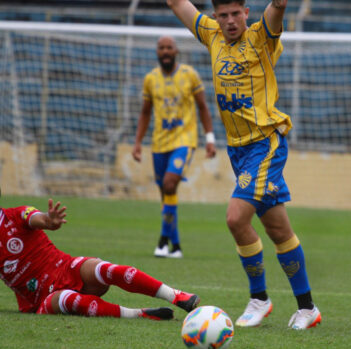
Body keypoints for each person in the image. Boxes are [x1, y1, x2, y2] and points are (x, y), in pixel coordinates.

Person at [166, 0, 321, 330]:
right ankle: (307, 308)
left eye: (236, 14)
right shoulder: (211, 35)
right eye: (223, 15)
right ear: (216, 17)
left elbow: (276, 10)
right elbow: (177, 4)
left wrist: (279, 5)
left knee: (236, 218)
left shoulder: (260, 37)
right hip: (237, 152)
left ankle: (259, 298)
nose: (230, 21)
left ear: (246, 14)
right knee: (278, 229)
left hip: (265, 144)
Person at [0, 197, 201, 319]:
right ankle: (139, 314)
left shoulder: (16, 215)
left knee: (104, 269)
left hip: (66, 267)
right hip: (42, 300)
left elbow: (39, 218)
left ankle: (175, 295)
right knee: (66, 299)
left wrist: (49, 221)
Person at [132, 35, 216, 259]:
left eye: (169, 47)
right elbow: (145, 112)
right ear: (157, 52)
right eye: (161, 48)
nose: (165, 51)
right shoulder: (150, 79)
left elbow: (203, 108)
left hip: (185, 141)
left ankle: (162, 241)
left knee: (170, 184)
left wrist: (210, 139)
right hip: (159, 143)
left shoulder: (189, 75)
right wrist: (138, 142)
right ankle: (176, 246)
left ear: (176, 51)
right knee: (166, 195)